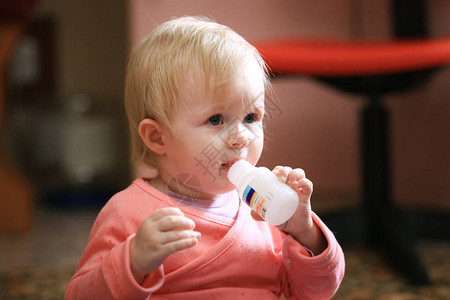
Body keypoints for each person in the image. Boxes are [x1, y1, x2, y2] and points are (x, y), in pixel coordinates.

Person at [65, 16, 345, 299]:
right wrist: (132, 261)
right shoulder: (128, 213)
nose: (241, 137)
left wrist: (305, 231)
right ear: (157, 137)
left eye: (251, 117)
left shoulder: (265, 209)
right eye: (215, 119)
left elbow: (315, 292)